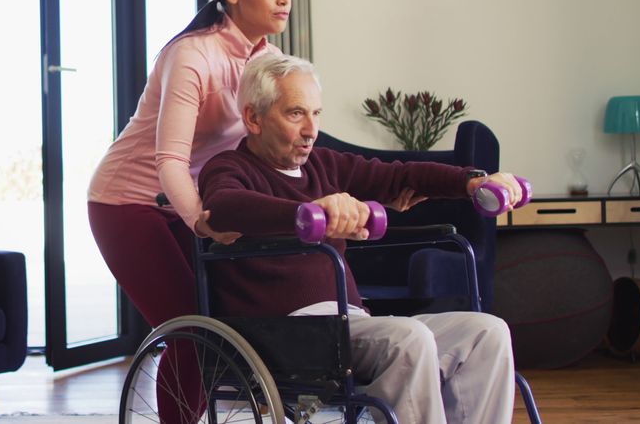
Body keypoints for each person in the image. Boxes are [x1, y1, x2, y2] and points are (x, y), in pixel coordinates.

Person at [198, 53, 519, 424]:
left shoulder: (324, 164)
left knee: (487, 333)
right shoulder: (228, 168)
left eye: (316, 114)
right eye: (295, 114)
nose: (310, 130)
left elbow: (401, 174)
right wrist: (309, 213)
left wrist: (473, 180)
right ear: (254, 118)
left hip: (350, 324)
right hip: (288, 333)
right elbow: (225, 207)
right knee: (408, 339)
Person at [87, 0, 290, 422]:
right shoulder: (193, 55)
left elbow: (280, 150)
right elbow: (170, 160)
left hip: (191, 201)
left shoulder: (271, 60)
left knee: (217, 323)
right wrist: (201, 220)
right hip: (127, 202)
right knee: (188, 327)